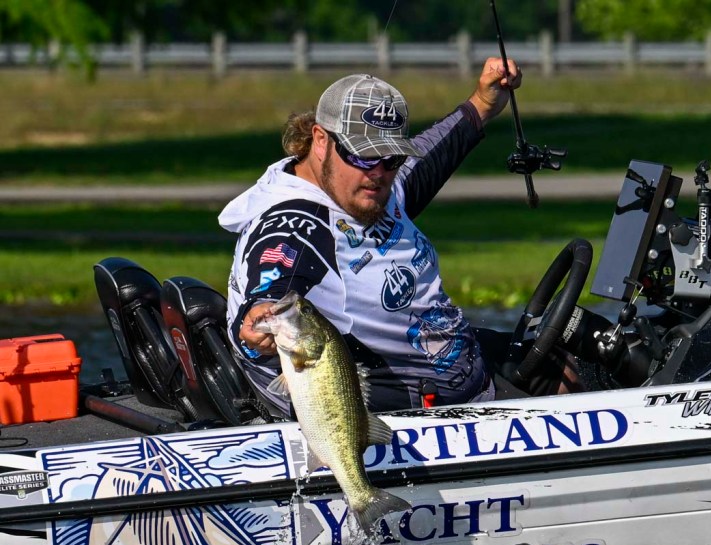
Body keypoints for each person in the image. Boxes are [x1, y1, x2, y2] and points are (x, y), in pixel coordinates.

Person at [220, 58, 571, 415]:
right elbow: (269, 288)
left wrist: (482, 103)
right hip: (406, 415)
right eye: (364, 156)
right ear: (321, 141)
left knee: (569, 361)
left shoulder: (359, 187)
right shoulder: (292, 227)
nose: (378, 172)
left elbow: (430, 157)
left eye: (391, 159)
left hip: (462, 366)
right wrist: (258, 318)